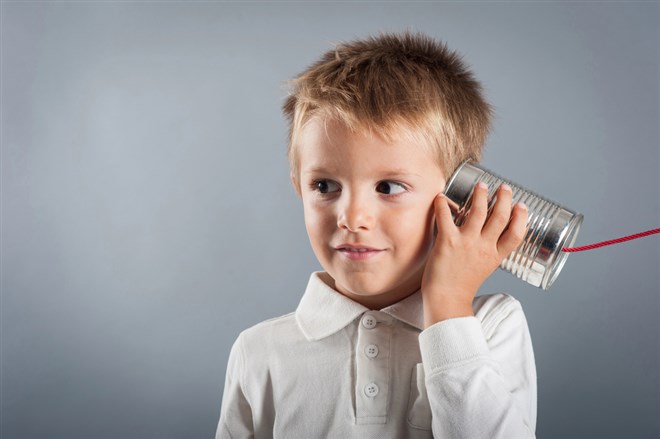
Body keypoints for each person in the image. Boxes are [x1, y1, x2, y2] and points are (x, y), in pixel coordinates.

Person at [216, 32, 536, 438]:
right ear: (298, 186)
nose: (351, 217)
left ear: (459, 199)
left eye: (388, 187)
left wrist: (449, 306)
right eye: (325, 186)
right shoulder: (258, 351)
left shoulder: (492, 326)